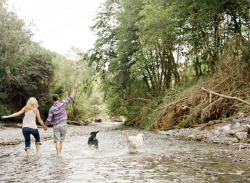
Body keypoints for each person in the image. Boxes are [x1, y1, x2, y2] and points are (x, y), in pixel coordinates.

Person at [45, 83, 77, 155]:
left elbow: (49, 119)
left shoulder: (52, 108)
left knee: (57, 141)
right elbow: (71, 97)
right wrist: (74, 88)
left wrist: (45, 126)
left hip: (56, 125)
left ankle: (58, 154)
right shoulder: (63, 103)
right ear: (58, 99)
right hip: (63, 125)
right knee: (61, 141)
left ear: (52, 100)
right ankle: (59, 154)